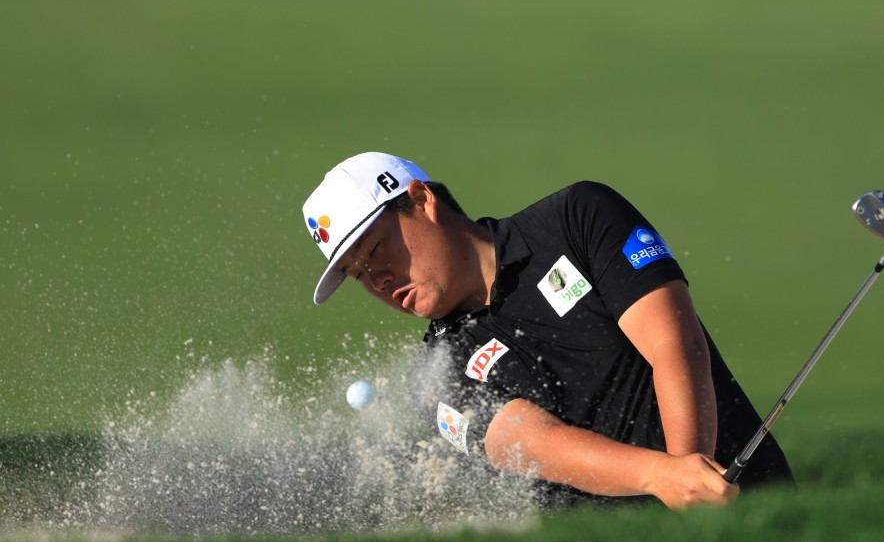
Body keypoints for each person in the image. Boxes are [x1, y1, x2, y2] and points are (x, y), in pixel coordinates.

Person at [302, 152, 794, 511]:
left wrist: (692, 473)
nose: (378, 279)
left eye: (376, 251)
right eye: (357, 274)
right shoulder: (433, 378)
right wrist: (663, 477)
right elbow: (531, 445)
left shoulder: (578, 218)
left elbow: (674, 344)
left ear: (421, 198)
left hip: (755, 515)